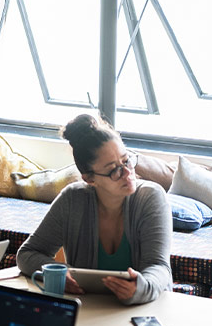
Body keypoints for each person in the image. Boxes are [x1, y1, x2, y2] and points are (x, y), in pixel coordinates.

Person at [17, 115, 172, 305]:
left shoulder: (150, 197)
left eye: (126, 160)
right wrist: (57, 271)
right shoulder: (72, 200)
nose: (127, 173)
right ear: (89, 179)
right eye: (113, 169)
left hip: (147, 310)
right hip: (88, 309)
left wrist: (142, 287)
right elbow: (27, 254)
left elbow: (159, 267)